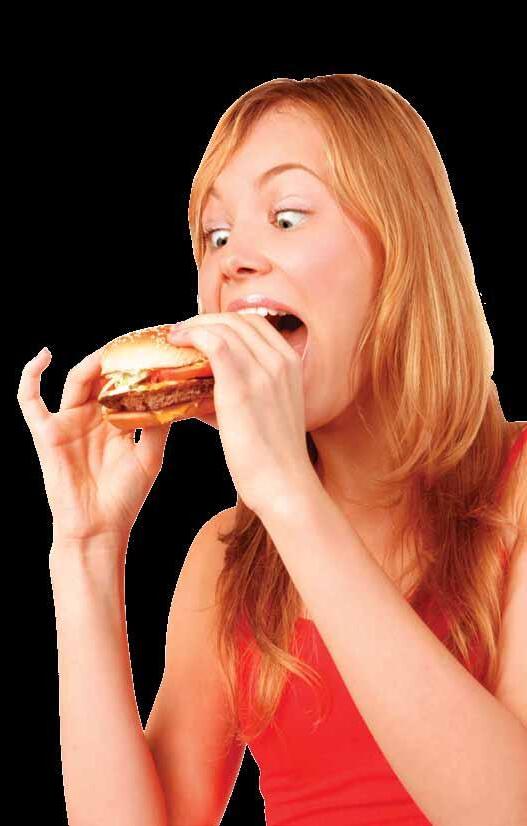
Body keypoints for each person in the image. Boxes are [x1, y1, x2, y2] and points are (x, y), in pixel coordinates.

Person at [18, 74, 527, 825]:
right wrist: (86, 550)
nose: (234, 260)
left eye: (286, 218)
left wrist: (289, 494)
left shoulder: (521, 490)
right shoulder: (230, 560)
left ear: (403, 254)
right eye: (216, 236)